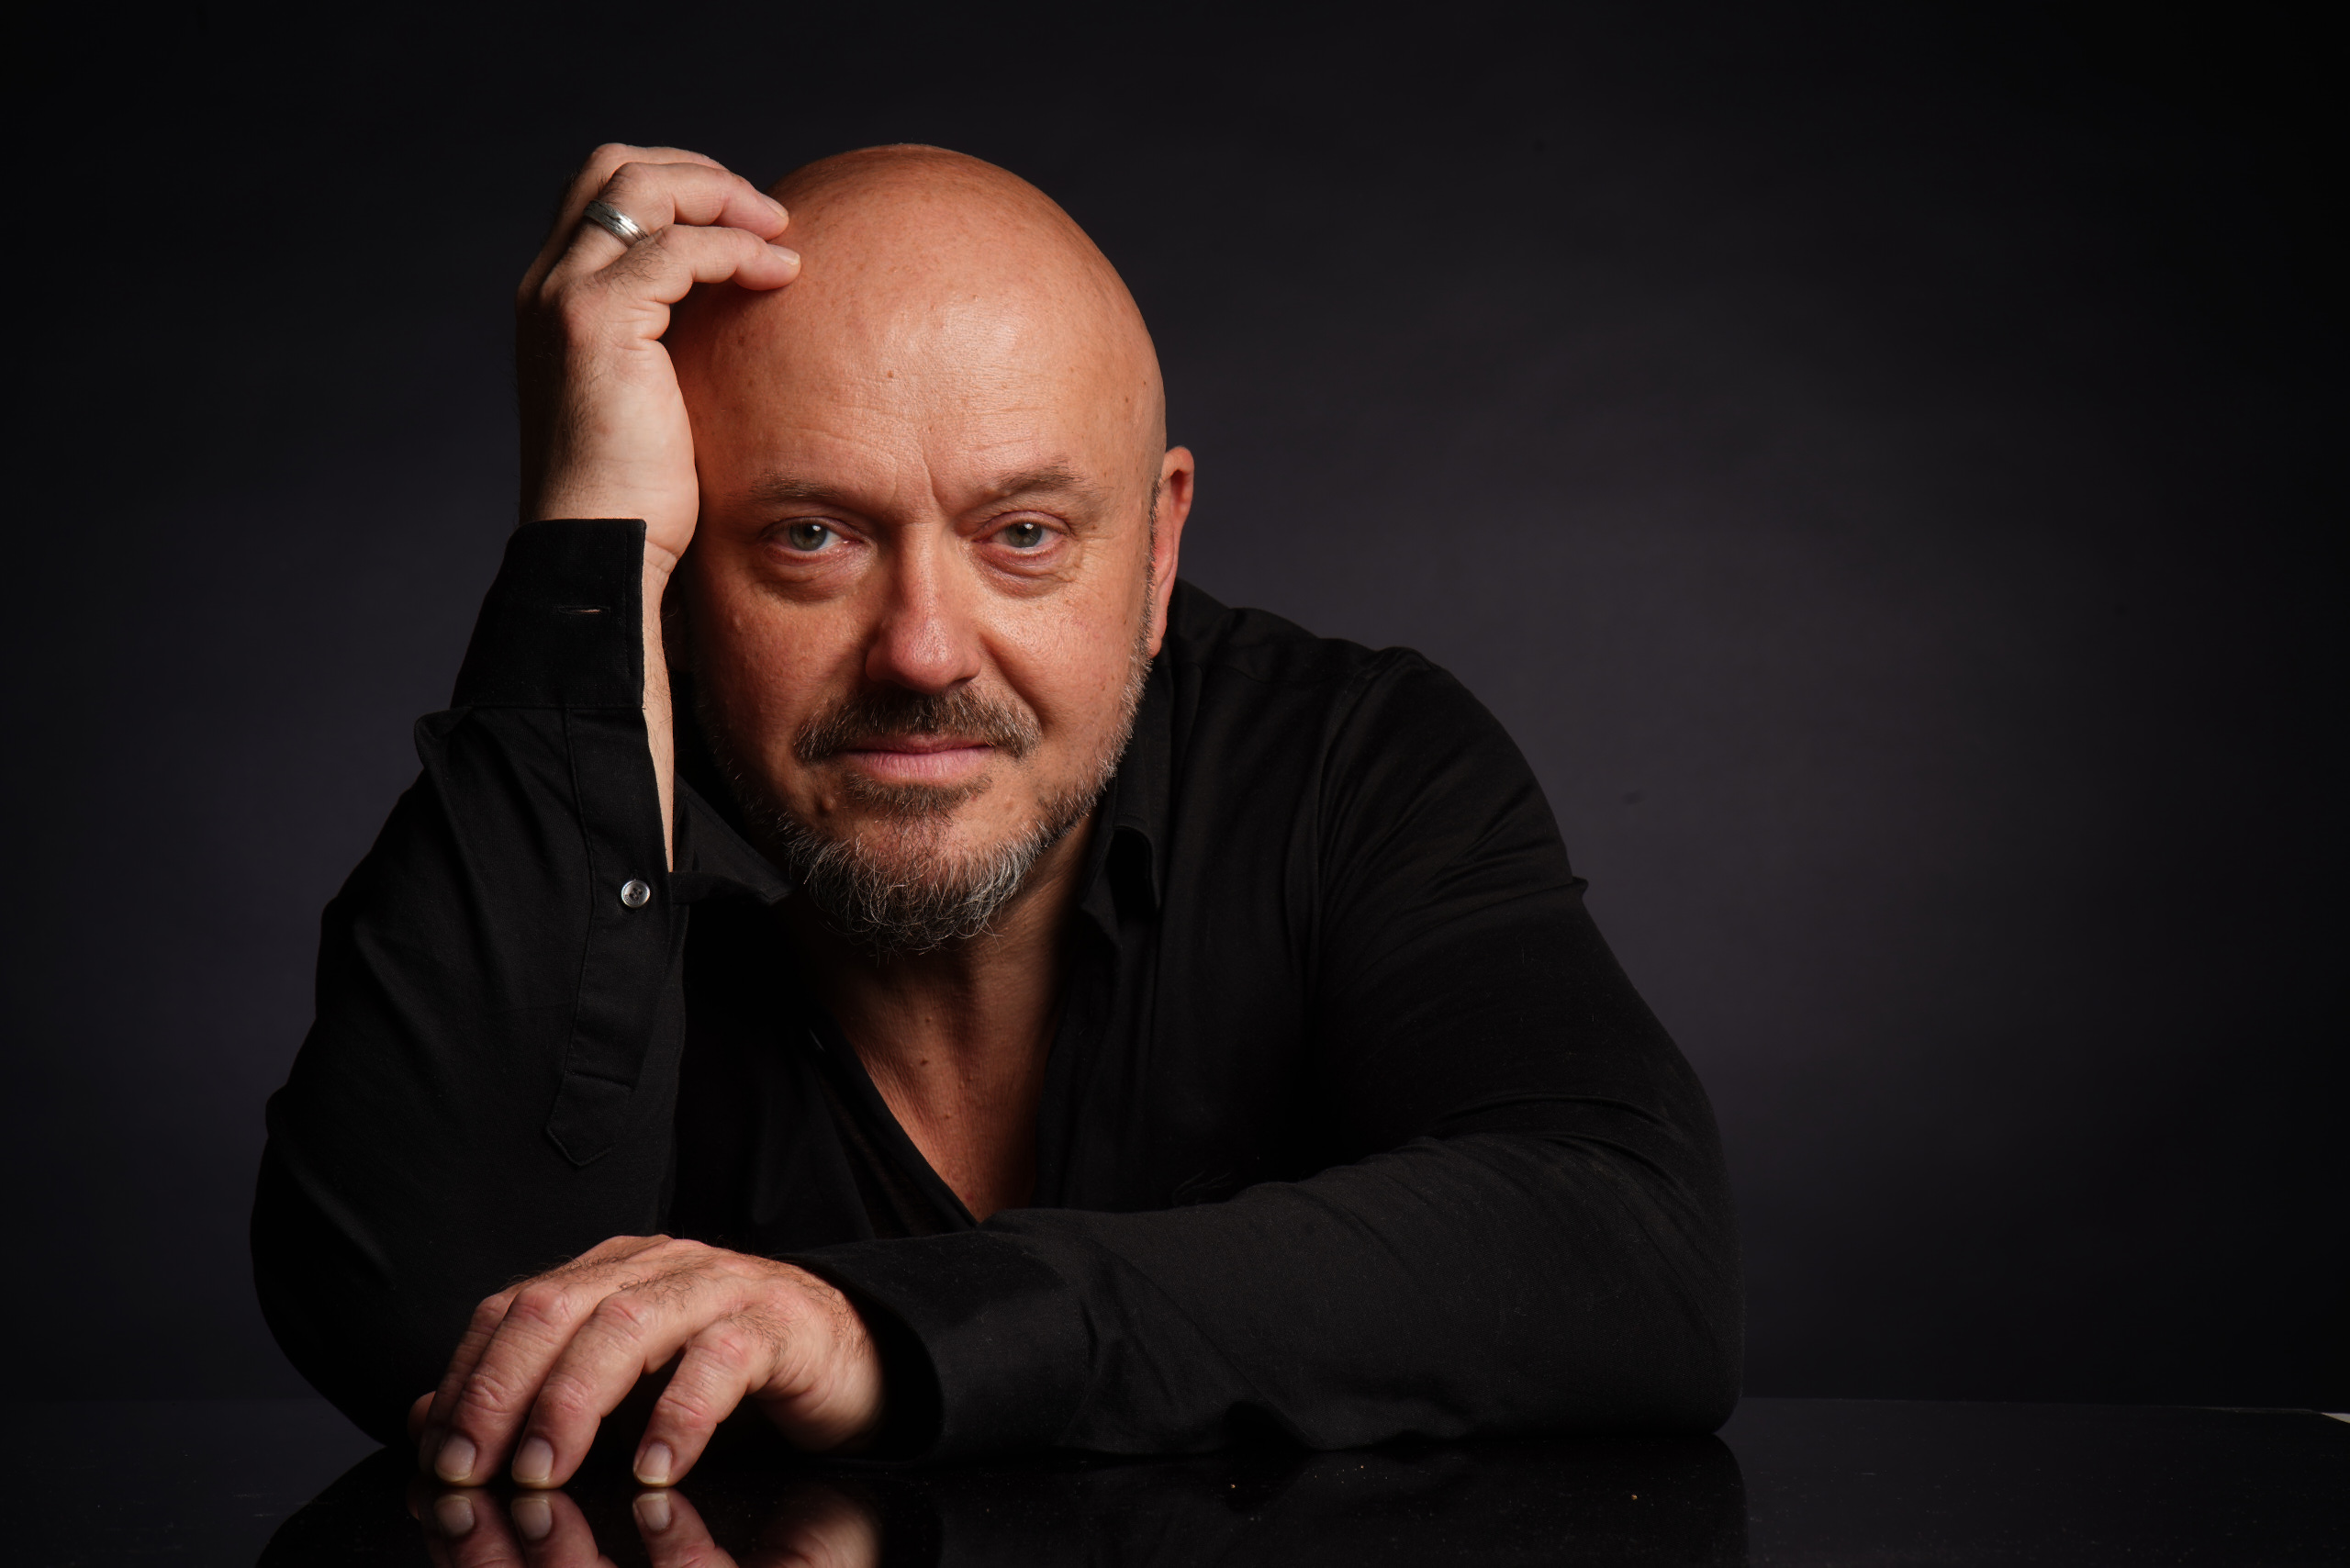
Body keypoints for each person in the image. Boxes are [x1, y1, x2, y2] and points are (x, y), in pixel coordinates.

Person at [252, 142, 1741, 1491]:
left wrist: (884, 1331)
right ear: (688, 569)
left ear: (1157, 549)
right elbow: (435, 1342)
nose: (923, 652)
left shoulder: (1350, 766)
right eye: (811, 537)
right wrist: (587, 559)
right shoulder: (579, 809)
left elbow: (1626, 1255)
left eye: (1024, 535)